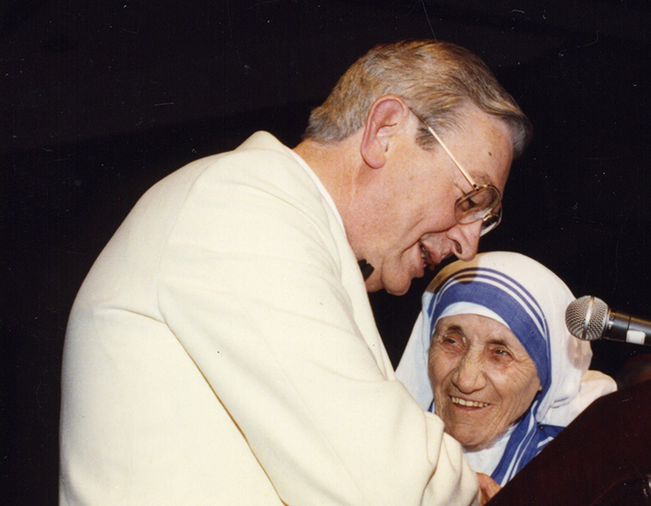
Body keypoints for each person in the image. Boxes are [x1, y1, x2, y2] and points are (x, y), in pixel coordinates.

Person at [59, 40, 531, 506]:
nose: (469, 245)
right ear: (385, 131)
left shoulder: (286, 223)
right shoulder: (241, 204)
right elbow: (380, 487)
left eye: (485, 218)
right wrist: (468, 492)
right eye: (472, 198)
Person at [396, 251, 618, 485]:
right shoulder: (382, 441)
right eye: (452, 342)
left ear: (547, 376)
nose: (466, 380)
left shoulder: (580, 467)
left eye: (500, 353)